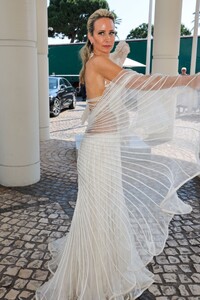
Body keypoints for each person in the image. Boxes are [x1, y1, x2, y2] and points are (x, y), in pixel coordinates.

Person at [36, 9, 200, 300]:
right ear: (89, 37)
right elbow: (139, 82)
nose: (108, 38)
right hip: (99, 151)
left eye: (111, 32)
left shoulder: (101, 62)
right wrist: (184, 81)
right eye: (101, 33)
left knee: (105, 213)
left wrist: (121, 58)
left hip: (104, 147)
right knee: (99, 214)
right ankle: (93, 282)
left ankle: (102, 270)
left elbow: (116, 84)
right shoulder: (99, 62)